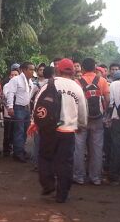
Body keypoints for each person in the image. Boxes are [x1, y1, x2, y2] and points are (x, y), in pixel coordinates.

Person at [35, 58, 87, 203]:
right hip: (68, 131)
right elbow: (82, 111)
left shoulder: (49, 85)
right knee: (65, 163)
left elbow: (37, 104)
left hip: (49, 130)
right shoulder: (77, 88)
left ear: (58, 70)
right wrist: (81, 125)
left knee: (45, 157)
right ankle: (62, 194)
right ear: (73, 71)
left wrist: (37, 123)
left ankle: (48, 184)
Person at [73, 57, 110, 185]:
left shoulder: (77, 82)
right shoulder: (103, 81)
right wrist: (103, 113)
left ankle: (79, 176)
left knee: (79, 147)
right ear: (95, 68)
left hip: (81, 118)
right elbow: (107, 99)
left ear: (82, 68)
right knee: (97, 148)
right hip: (98, 118)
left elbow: (75, 101)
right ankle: (95, 178)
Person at [3, 61, 35, 162]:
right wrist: (10, 107)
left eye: (33, 69)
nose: (32, 71)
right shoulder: (16, 80)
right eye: (30, 69)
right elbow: (10, 93)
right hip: (18, 108)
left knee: (25, 131)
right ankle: (18, 153)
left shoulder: (30, 81)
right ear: (24, 70)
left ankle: (21, 150)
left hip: (26, 108)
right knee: (19, 131)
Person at [1, 67, 19, 156]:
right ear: (9, 76)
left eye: (16, 75)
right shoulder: (6, 86)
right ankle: (6, 150)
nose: (14, 76)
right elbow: (5, 98)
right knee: (7, 132)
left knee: (15, 132)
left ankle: (15, 149)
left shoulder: (20, 86)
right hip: (7, 113)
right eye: (12, 75)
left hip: (18, 113)